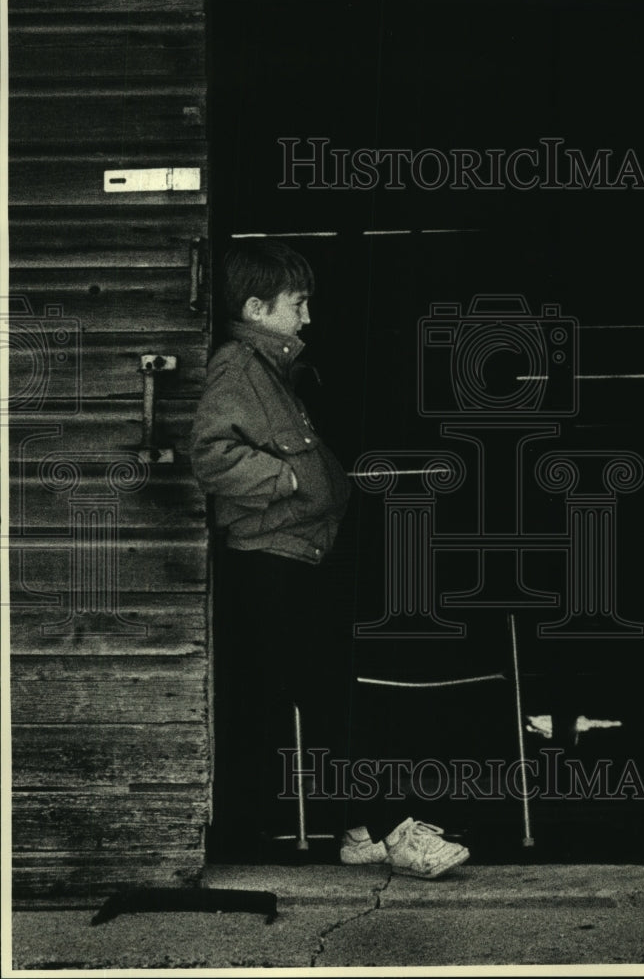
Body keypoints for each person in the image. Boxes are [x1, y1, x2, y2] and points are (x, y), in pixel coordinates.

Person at [190, 239, 469, 878]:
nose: (309, 317)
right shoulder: (240, 368)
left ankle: (358, 829)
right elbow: (210, 456)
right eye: (299, 303)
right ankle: (397, 830)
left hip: (294, 558)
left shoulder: (270, 369)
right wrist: (290, 482)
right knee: (332, 699)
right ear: (258, 307)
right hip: (272, 563)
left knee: (322, 699)